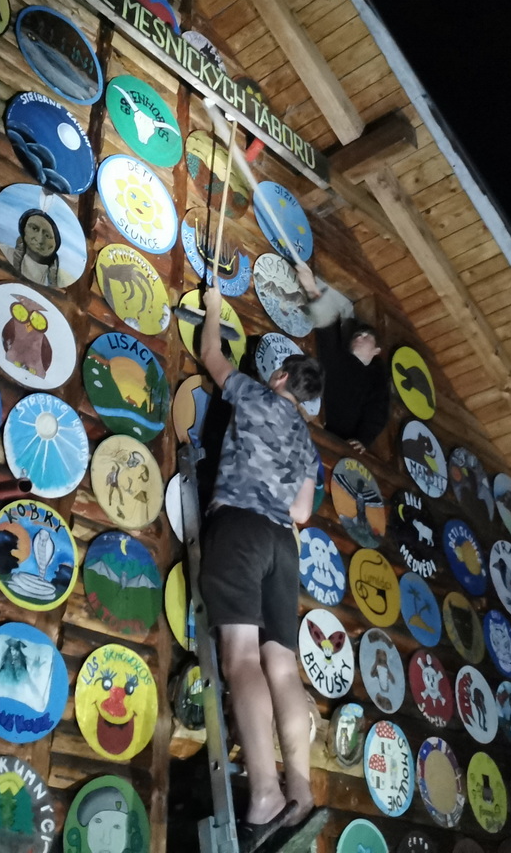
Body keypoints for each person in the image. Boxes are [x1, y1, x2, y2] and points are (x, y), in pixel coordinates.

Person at [196, 283, 323, 841]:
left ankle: (266, 794)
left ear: (279, 378)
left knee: (242, 659)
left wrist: (213, 309)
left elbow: (211, 354)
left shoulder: (256, 396)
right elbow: (301, 512)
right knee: (283, 668)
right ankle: (301, 791)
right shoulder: (309, 445)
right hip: (282, 546)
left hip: (242, 529)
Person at [292, 261, 388, 453]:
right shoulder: (337, 355)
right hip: (305, 425)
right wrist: (312, 288)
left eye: (366, 336)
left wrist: (363, 440)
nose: (360, 337)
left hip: (335, 446)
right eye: (358, 334)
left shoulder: (376, 380)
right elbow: (328, 326)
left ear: (377, 351)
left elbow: (377, 413)